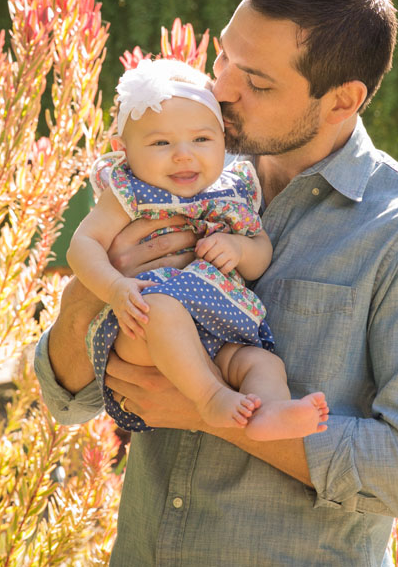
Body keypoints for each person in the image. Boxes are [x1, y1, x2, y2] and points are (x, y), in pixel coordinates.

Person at [34, 0, 398, 565]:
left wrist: (210, 414)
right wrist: (90, 295)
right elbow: (66, 400)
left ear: (342, 100)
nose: (220, 90)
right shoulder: (174, 171)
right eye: (224, 57)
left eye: (258, 82)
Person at [67, 58, 328, 439]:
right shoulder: (129, 190)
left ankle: (269, 415)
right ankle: (209, 397)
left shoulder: (233, 189)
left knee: (260, 363)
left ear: (223, 137)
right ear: (123, 150)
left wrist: (239, 249)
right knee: (163, 312)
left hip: (220, 326)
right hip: (145, 324)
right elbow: (82, 245)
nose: (183, 154)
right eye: (161, 143)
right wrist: (114, 288)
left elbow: (260, 254)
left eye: (201, 139)